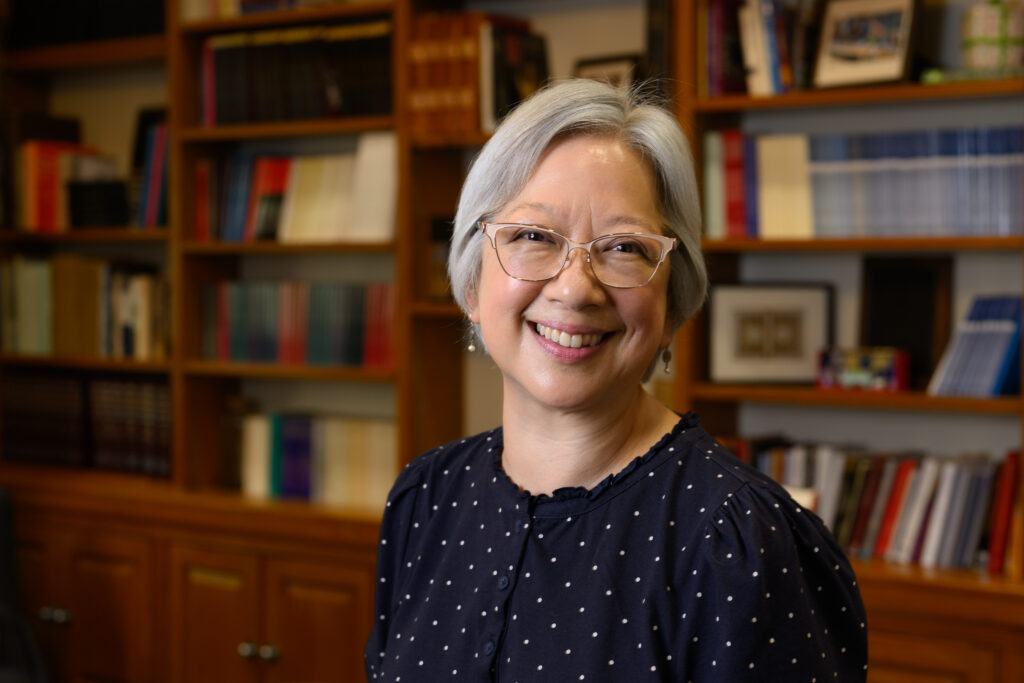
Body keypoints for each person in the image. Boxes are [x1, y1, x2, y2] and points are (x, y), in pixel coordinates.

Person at [365, 79, 868, 681]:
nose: (576, 289)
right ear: (473, 284)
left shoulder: (741, 543)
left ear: (671, 304)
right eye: (532, 237)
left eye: (624, 247)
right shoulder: (425, 499)